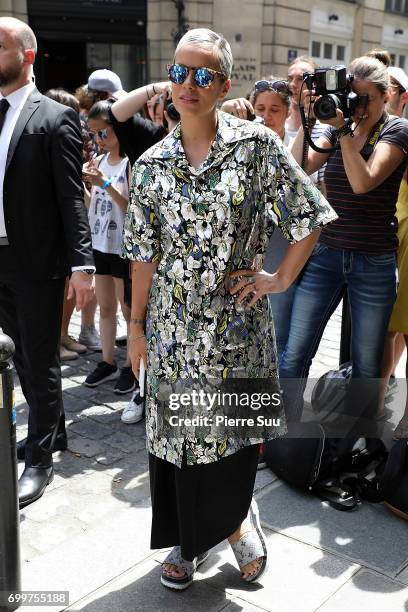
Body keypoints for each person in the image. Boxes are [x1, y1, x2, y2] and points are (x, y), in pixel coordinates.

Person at [122, 27, 336, 589]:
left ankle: (238, 522)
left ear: (221, 84)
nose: (187, 85)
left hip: (237, 325)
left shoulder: (257, 146)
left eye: (202, 75)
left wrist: (281, 277)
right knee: (181, 439)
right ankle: (189, 540)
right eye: (179, 71)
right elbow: (142, 255)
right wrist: (136, 326)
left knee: (231, 435)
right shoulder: (149, 166)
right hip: (171, 327)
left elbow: (309, 214)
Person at [280, 56, 408, 427]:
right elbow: (299, 166)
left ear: (386, 97)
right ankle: (278, 436)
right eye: (354, 97)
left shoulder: (397, 131)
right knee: (295, 352)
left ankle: (355, 444)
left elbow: (363, 181)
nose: (360, 106)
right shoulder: (340, 126)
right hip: (327, 253)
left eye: (367, 99)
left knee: (368, 365)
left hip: (374, 262)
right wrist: (310, 119)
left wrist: (343, 131)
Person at [0, 17, 94, 508]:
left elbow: (71, 198)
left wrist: (82, 267)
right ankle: (47, 432)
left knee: (40, 360)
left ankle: (40, 458)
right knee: (12, 356)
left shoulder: (54, 117)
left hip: (35, 260)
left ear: (27, 55)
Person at [82, 100, 135, 393]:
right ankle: (107, 361)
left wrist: (104, 184)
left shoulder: (130, 163)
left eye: (104, 133)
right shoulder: (100, 162)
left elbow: (130, 208)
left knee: (127, 310)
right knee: (105, 307)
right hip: (100, 244)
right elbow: (95, 208)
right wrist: (84, 185)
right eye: (95, 134)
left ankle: (130, 365)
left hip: (122, 247)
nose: (99, 140)